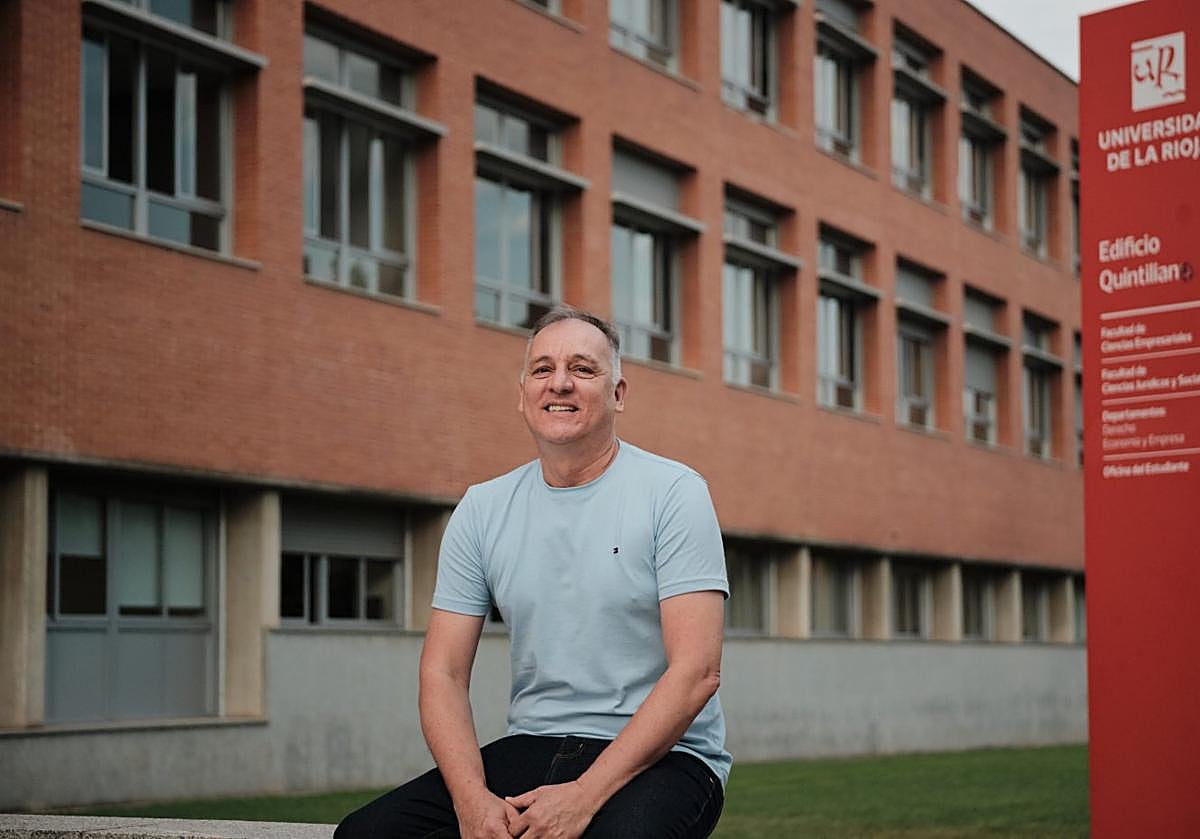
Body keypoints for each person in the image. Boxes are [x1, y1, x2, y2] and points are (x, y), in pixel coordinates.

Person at [335, 306, 730, 839]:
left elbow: (696, 672)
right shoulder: (481, 508)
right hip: (532, 743)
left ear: (618, 394)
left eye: (583, 369)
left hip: (668, 756)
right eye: (542, 369)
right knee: (363, 836)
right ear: (522, 393)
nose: (559, 383)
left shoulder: (673, 493)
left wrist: (583, 798)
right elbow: (443, 673)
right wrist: (471, 800)